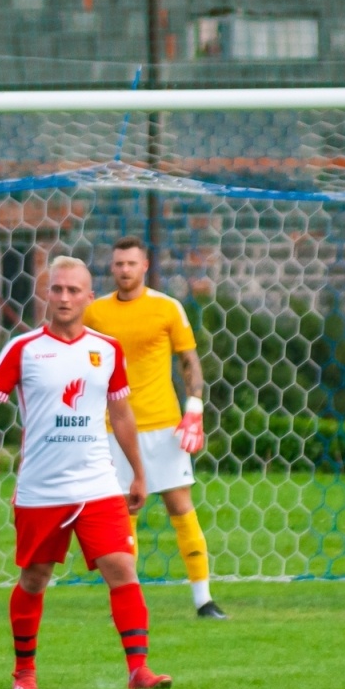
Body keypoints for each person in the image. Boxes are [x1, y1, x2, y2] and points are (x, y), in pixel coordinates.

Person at [0, 255, 173, 689]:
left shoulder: (107, 350)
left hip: (98, 483)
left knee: (122, 568)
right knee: (34, 577)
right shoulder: (24, 349)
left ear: (88, 297)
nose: (64, 297)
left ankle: (139, 670)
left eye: (73, 290)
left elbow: (121, 414)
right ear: (46, 293)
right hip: (41, 488)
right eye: (57, 288)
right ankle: (24, 673)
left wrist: (138, 473)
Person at [84, 237, 227, 619]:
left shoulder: (167, 307)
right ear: (112, 267)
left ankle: (204, 600)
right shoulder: (95, 313)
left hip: (163, 426)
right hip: (113, 428)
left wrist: (194, 406)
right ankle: (128, 601)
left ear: (145, 266)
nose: (124, 270)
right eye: (118, 264)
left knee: (180, 506)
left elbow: (189, 360)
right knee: (122, 516)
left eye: (131, 263)